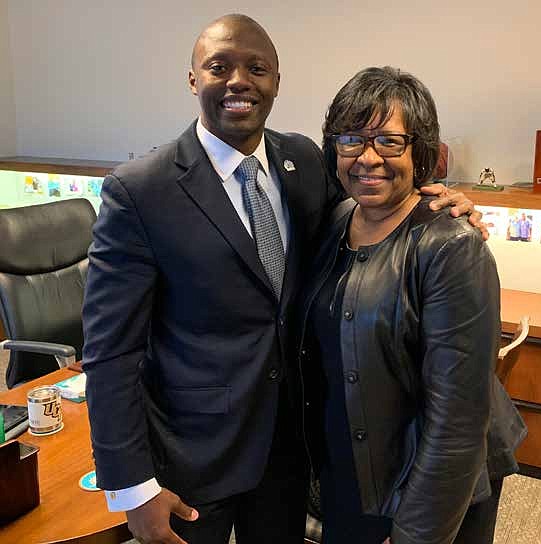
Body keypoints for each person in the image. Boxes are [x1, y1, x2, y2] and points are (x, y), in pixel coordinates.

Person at [82, 15, 484, 544]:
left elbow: (378, 204)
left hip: (293, 447)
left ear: (275, 81)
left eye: (257, 68)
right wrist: (132, 487)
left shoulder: (303, 161)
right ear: (192, 79)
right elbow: (110, 352)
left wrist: (441, 202)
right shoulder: (139, 190)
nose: (239, 81)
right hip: (194, 454)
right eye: (218, 67)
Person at [298, 66, 527, 544]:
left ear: (419, 152)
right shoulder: (338, 218)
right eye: (351, 140)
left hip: (426, 484)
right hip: (354, 464)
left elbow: (458, 421)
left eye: (388, 142)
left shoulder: (450, 246)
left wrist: (418, 531)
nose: (367, 158)